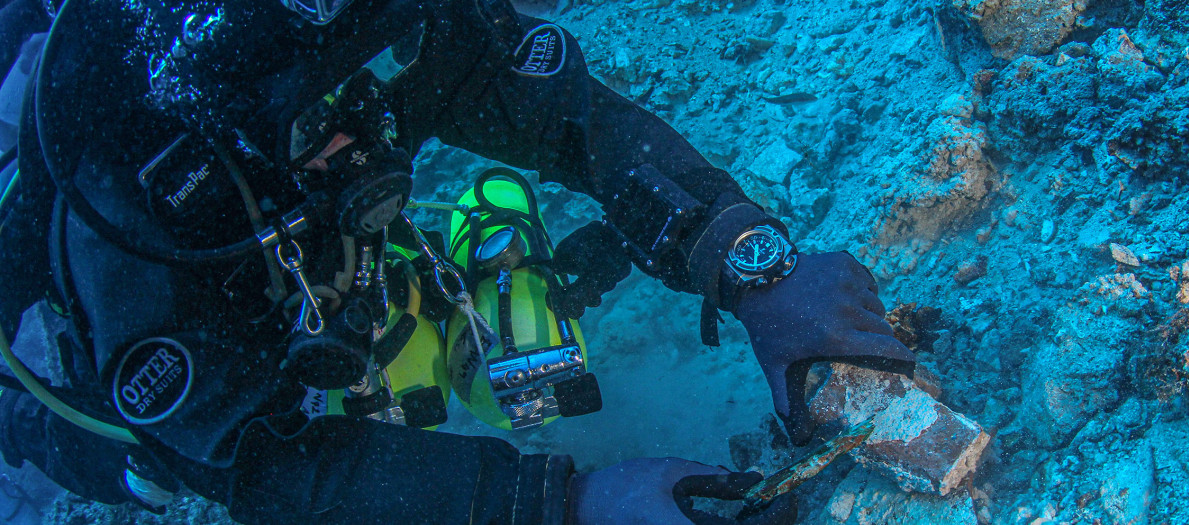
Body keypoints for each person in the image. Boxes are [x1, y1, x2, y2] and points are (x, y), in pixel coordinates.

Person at [0, 0, 917, 522]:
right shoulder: (128, 209)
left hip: (295, 241)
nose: (373, 131)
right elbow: (255, 463)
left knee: (408, 293)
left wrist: (748, 260)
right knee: (143, 466)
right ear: (233, 132)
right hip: (152, 371)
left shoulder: (370, 40)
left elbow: (579, 122)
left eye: (384, 72)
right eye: (324, 122)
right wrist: (553, 503)